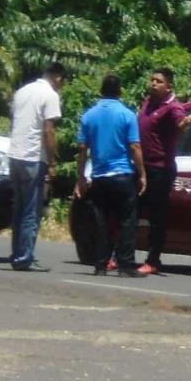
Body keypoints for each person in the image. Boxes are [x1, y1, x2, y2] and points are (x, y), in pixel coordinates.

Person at [75, 74, 147, 277]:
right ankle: (125, 264)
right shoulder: (127, 115)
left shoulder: (89, 116)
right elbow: (134, 146)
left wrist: (81, 177)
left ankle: (100, 264)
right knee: (127, 220)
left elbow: (82, 148)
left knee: (102, 221)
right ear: (120, 91)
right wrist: (142, 174)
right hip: (123, 174)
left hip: (99, 176)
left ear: (101, 90)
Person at [135, 67, 191, 275]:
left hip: (160, 168)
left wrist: (184, 123)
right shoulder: (148, 102)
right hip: (141, 166)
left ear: (168, 86)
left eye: (159, 81)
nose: (153, 83)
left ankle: (153, 260)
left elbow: (180, 121)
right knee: (131, 212)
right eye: (152, 80)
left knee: (156, 216)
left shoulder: (172, 107)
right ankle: (122, 255)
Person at [8, 61, 65, 271]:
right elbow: (48, 130)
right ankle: (25, 257)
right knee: (32, 210)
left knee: (19, 208)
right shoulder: (50, 95)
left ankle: (17, 253)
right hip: (33, 156)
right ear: (58, 78)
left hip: (15, 154)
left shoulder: (22, 91)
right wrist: (52, 161)